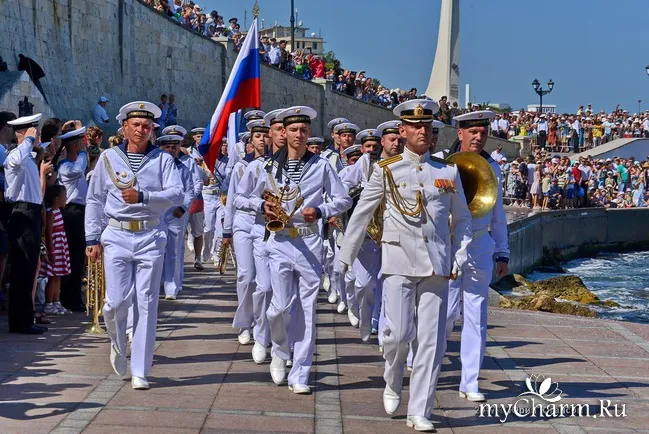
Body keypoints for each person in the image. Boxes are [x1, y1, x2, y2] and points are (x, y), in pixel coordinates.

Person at [340, 99, 472, 431]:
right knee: (398, 335)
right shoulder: (387, 170)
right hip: (398, 261)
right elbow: (361, 215)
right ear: (403, 131)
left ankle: (420, 410)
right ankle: (392, 376)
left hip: (437, 266)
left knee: (431, 341)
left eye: (428, 127)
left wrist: (460, 253)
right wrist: (345, 258)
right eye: (416, 127)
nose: (423, 132)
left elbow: (464, 220)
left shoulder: (447, 170)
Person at [249, 106, 352, 394]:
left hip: (308, 240)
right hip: (279, 240)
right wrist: (261, 206)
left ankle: (301, 372)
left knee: (307, 309)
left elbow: (343, 200)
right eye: (292, 129)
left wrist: (319, 210)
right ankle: (281, 351)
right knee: (280, 308)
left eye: (303, 130)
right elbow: (244, 198)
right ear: (283, 132)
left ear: (308, 134)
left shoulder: (321, 165)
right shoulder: (269, 166)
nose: (297, 134)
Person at [85, 101, 183, 389]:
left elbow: (177, 193)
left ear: (153, 129)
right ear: (124, 127)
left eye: (147, 126)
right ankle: (117, 342)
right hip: (116, 234)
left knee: (146, 302)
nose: (141, 130)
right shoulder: (108, 158)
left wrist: (144, 197)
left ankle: (140, 369)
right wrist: (92, 238)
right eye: (136, 125)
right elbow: (94, 199)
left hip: (150, 235)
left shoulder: (163, 159)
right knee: (114, 303)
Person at [443, 110, 510, 403]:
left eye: (483, 133)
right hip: (448, 245)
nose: (478, 137)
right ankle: (428, 363)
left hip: (481, 245)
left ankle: (470, 381)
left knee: (476, 316)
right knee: (444, 314)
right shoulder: (441, 163)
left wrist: (502, 252)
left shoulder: (493, 168)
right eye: (473, 132)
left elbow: (498, 214)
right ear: (461, 133)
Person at [235, 108, 286, 363]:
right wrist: (259, 205)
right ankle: (256, 331)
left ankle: (285, 345)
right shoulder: (256, 166)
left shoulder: (311, 164)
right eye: (272, 131)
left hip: (295, 235)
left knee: (287, 295)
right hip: (257, 229)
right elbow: (238, 198)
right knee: (256, 283)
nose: (268, 138)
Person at [223, 118, 269, 347]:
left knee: (263, 281)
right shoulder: (241, 166)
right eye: (258, 136)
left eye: (265, 136)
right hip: (243, 222)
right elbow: (232, 199)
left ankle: (262, 323)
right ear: (250, 142)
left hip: (263, 223)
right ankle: (244, 323)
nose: (262, 140)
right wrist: (226, 230)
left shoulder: (274, 164)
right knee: (246, 276)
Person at [5, 113, 52, 334]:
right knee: (23, 269)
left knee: (29, 269)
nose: (37, 135)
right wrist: (29, 141)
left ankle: (25, 318)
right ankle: (20, 322)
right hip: (21, 214)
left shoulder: (28, 159)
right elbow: (13, 161)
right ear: (23, 133)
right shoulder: (17, 154)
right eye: (34, 131)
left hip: (31, 213)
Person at [157, 134, 194, 300]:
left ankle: (171, 285)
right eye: (167, 147)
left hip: (174, 212)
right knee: (156, 248)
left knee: (173, 249)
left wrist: (183, 207)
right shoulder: (154, 165)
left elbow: (190, 190)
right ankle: (156, 282)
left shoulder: (183, 168)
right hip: (157, 211)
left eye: (174, 147)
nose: (171, 150)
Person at [56, 125, 89, 312]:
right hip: (71, 212)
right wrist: (83, 153)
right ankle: (69, 297)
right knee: (73, 256)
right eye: (80, 143)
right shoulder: (65, 166)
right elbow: (77, 171)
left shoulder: (75, 164)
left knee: (78, 257)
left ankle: (73, 296)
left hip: (79, 211)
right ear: (75, 144)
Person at [42, 184, 72, 315]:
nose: (66, 198)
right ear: (56, 199)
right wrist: (51, 251)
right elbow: (48, 232)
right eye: (64, 196)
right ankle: (48, 303)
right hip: (55, 246)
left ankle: (57, 302)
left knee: (58, 276)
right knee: (53, 276)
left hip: (61, 245)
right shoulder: (51, 212)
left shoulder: (58, 211)